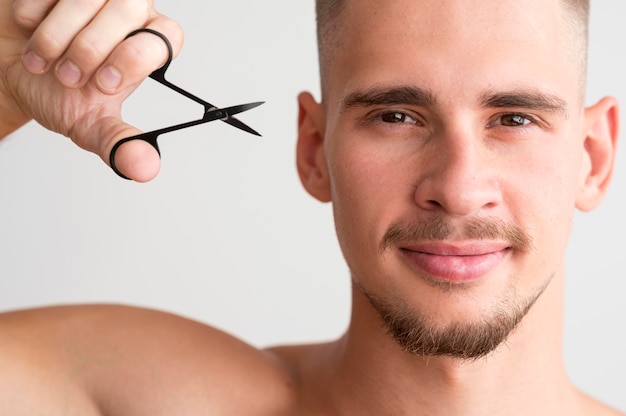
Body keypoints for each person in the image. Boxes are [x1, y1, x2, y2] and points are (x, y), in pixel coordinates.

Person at [0, 0, 623, 414]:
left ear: (592, 158)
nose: (458, 189)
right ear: (313, 149)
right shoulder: (136, 395)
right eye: (396, 116)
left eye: (515, 118)